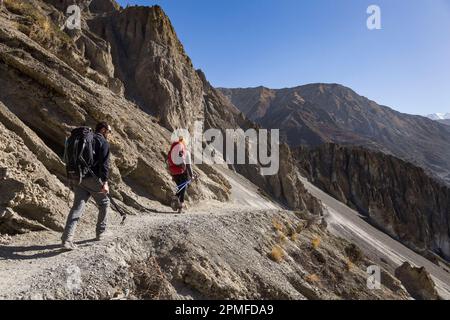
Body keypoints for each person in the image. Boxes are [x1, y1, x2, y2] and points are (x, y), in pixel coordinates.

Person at [61, 122, 112, 250]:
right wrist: (105, 182)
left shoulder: (84, 139)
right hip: (92, 179)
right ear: (103, 130)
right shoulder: (103, 142)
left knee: (77, 207)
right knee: (105, 203)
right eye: (109, 131)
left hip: (78, 177)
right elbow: (105, 165)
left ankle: (66, 240)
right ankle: (100, 233)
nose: (109, 134)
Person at [168, 137, 195, 213]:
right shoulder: (186, 152)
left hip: (174, 172)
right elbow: (189, 166)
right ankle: (180, 205)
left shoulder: (172, 151)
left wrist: (172, 174)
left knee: (181, 187)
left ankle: (176, 200)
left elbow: (169, 163)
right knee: (183, 187)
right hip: (182, 173)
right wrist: (192, 176)